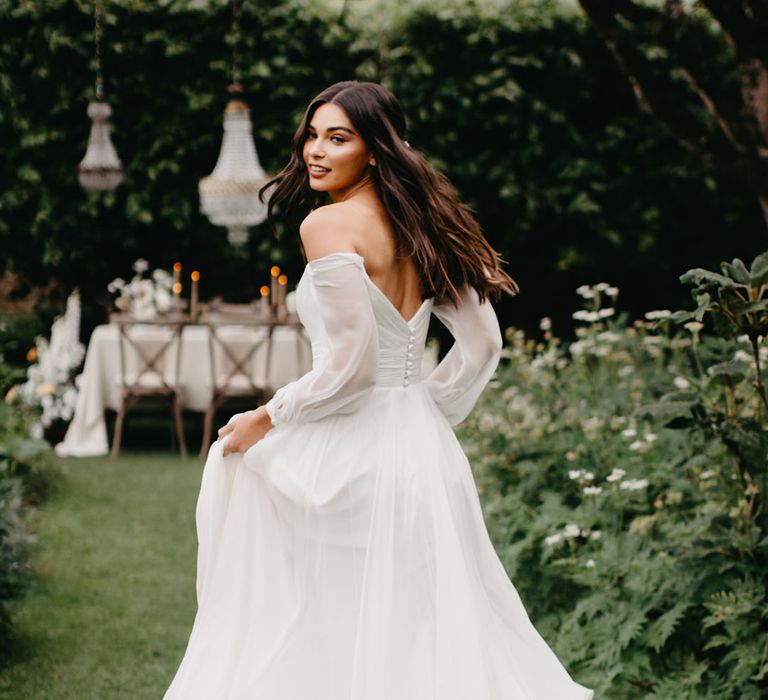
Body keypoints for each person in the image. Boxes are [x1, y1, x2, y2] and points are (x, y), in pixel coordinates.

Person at [164, 80, 594, 700]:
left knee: (319, 613)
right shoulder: (426, 223)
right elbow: (482, 346)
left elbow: (354, 367)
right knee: (411, 628)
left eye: (337, 138)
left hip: (353, 453)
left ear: (374, 149)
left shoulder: (328, 224)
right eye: (312, 135)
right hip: (422, 453)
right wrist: (424, 412)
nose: (315, 150)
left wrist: (269, 414)